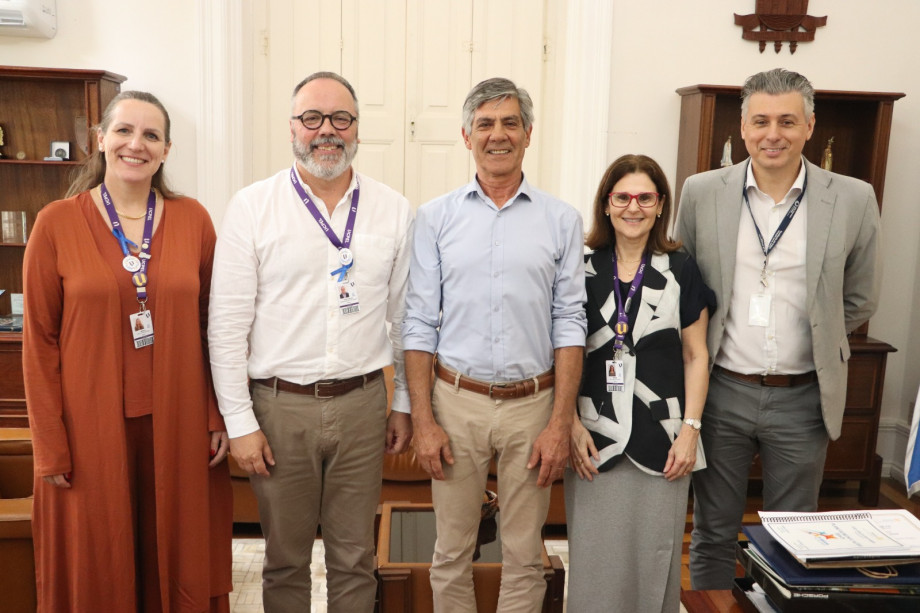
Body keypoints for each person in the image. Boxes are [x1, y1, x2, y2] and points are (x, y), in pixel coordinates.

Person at [208, 71, 413, 612]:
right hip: (279, 409)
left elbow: (406, 319)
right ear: (292, 128)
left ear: (357, 130)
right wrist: (241, 423)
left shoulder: (392, 209)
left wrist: (404, 403)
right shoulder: (252, 207)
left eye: (340, 118)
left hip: (363, 404)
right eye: (312, 118)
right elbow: (226, 326)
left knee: (354, 559)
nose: (327, 131)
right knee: (285, 561)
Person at [22, 91, 233, 612]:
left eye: (151, 135)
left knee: (178, 557)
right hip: (88, 433)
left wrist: (217, 413)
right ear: (99, 139)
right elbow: (39, 341)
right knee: (102, 562)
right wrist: (50, 442)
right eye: (123, 131)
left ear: (166, 151)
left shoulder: (194, 221)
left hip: (180, 427)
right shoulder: (55, 223)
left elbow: (216, 328)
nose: (135, 144)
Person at [676, 68, 881, 589]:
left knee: (794, 536)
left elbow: (860, 297)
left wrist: (819, 333)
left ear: (810, 126)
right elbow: (685, 288)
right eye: (761, 121)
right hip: (721, 393)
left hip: (802, 397)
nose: (774, 134)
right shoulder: (701, 193)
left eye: (787, 121)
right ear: (742, 128)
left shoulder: (853, 198)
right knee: (713, 531)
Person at [403, 77, 586, 613]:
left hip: (534, 406)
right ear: (466, 136)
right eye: (485, 123)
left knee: (526, 554)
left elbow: (569, 323)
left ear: (529, 133)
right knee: (451, 551)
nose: (498, 134)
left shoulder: (561, 220)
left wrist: (559, 422)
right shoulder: (435, 218)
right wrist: (423, 419)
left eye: (510, 122)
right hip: (455, 402)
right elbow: (418, 322)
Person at [566, 154, 714, 613]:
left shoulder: (680, 269)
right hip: (593, 437)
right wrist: (568, 423)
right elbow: (561, 352)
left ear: (660, 205)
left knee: (655, 559)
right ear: (606, 204)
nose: (634, 207)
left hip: (665, 439)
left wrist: (691, 430)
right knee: (595, 562)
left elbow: (696, 354)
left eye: (645, 197)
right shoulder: (581, 267)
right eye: (623, 196)